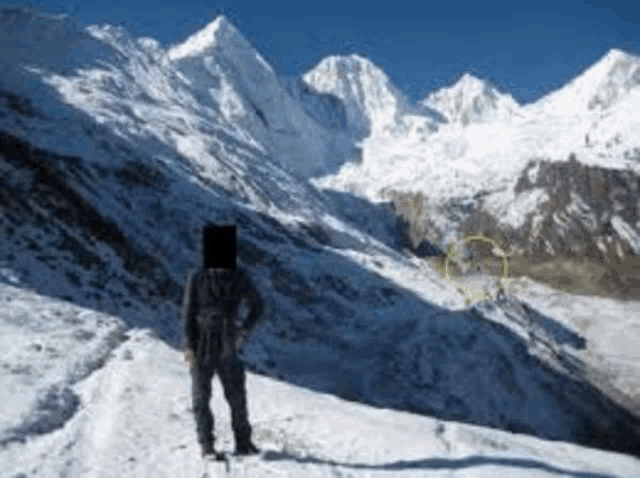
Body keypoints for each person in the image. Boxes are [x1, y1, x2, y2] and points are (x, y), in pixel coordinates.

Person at [182, 222, 265, 459]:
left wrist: (244, 330)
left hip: (227, 341)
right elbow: (188, 312)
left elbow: (258, 306)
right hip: (202, 343)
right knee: (201, 398)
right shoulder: (197, 277)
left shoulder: (239, 276)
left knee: (237, 396)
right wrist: (188, 344)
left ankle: (243, 443)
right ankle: (207, 445)